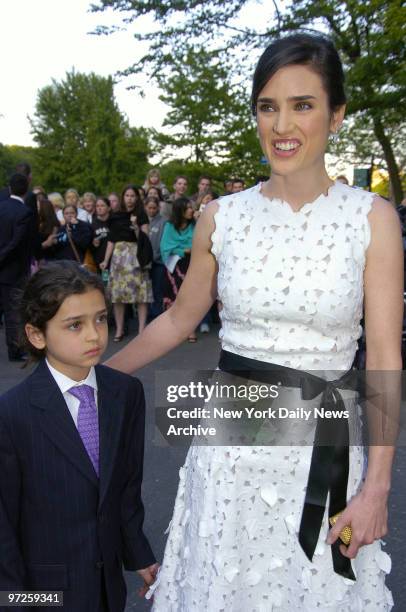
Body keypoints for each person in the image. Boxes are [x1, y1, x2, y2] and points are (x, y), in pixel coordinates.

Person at [106, 33, 401, 610]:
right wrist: (87, 382)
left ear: (336, 116)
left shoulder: (372, 219)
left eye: (303, 104)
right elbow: (178, 320)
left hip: (324, 446)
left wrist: (378, 487)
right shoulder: (222, 217)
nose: (282, 124)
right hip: (231, 448)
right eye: (268, 106)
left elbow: (386, 356)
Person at [0, 262, 158, 612]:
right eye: (75, 325)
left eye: (101, 318)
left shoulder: (126, 393)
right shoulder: (11, 414)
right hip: (46, 592)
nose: (94, 335)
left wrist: (139, 555)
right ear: (36, 334)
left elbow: (126, 487)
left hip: (108, 586)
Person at [100, 186, 153, 341]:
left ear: (137, 198)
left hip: (136, 256)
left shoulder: (141, 215)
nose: (130, 198)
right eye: (127, 195)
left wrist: (136, 228)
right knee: (118, 295)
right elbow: (111, 240)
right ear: (123, 197)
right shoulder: (115, 216)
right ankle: (119, 329)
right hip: (118, 257)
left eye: (132, 195)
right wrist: (105, 260)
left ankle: (142, 330)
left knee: (141, 294)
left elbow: (145, 237)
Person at [0, 173, 33, 362]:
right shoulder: (24, 212)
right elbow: (17, 243)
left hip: (6, 266)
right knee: (12, 312)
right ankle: (14, 350)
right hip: (13, 269)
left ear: (10, 188)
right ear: (26, 189)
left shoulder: (2, 207)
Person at [160, 197, 197, 342]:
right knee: (174, 299)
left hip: (191, 265)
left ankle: (190, 330)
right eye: (187, 208)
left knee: (190, 298)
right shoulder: (170, 226)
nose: (191, 210)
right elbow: (165, 247)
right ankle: (173, 330)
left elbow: (200, 242)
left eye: (191, 207)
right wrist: (184, 250)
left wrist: (188, 250)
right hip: (174, 266)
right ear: (179, 210)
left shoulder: (194, 225)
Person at [145, 196, 166, 319]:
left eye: (154, 208)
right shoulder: (142, 221)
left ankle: (157, 315)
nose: (152, 210)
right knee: (147, 290)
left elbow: (163, 241)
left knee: (157, 289)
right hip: (145, 262)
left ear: (158, 207)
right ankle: (147, 314)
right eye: (149, 208)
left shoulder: (163, 222)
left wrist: (156, 255)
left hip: (158, 261)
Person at [91, 197, 111, 272]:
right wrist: (93, 244)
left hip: (114, 260)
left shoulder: (114, 222)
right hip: (99, 261)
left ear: (109, 208)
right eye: (97, 206)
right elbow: (90, 246)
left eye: (102, 206)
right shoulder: (93, 224)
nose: (99, 208)